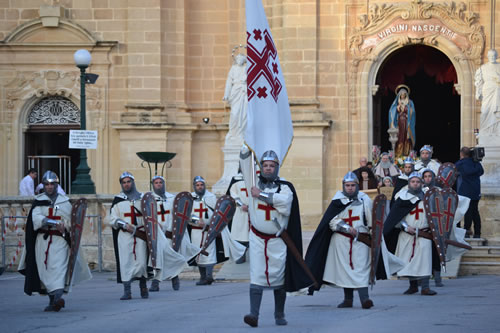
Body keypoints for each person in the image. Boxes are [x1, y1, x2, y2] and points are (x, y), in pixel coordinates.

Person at [240, 147, 311, 327]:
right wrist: (248, 144)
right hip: (257, 239)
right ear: (261, 167)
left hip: (278, 240)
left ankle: (279, 314)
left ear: (277, 167)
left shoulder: (286, 187)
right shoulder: (252, 182)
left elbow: (285, 203)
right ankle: (253, 315)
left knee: (279, 277)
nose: (268, 168)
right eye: (265, 165)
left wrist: (261, 195)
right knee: (256, 275)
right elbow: (244, 158)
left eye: (272, 165)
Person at [18, 171, 91, 311]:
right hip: (42, 242)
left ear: (57, 185)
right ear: (43, 185)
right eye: (47, 184)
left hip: (60, 241)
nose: (49, 187)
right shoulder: (39, 201)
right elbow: (36, 218)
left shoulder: (64, 202)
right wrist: (51, 221)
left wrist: (66, 226)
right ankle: (53, 301)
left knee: (59, 269)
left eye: (52, 184)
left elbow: (73, 222)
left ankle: (57, 298)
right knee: (45, 271)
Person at [306, 172, 374, 309]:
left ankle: (365, 299)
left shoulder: (365, 200)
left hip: (361, 240)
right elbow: (331, 220)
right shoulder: (337, 201)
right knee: (345, 271)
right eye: (347, 185)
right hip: (342, 241)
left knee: (361, 268)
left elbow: (372, 219)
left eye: (352, 185)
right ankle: (348, 299)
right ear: (343, 186)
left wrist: (372, 233)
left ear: (357, 186)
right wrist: (347, 228)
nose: (350, 188)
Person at [383, 172, 437, 296]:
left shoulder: (428, 198)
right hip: (407, 234)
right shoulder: (402, 198)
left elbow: (435, 215)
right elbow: (395, 218)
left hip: (424, 234)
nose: (415, 184)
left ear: (422, 183)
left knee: (425, 261)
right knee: (409, 261)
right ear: (409, 183)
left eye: (418, 182)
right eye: (413, 182)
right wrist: (406, 227)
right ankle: (413, 286)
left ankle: (425, 287)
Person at [189, 176, 247, 286]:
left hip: (210, 229)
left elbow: (218, 213)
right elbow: (186, 214)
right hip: (196, 230)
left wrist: (212, 225)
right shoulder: (190, 198)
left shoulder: (211, 197)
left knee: (209, 252)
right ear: (194, 186)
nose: (200, 187)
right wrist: (196, 221)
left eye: (201, 185)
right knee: (198, 252)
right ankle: (202, 277)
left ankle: (209, 276)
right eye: (197, 185)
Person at [149, 175, 200, 292]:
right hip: (158, 235)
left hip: (171, 234)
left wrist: (193, 220)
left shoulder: (172, 198)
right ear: (153, 185)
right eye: (156, 183)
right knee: (158, 259)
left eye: (160, 182)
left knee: (172, 257)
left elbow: (182, 213)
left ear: (164, 184)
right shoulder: (150, 200)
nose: (158, 185)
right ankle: (155, 282)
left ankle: (174, 278)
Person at [109, 172, 150, 300]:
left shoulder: (142, 198)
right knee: (126, 262)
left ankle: (143, 287)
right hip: (125, 236)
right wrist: (124, 225)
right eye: (124, 182)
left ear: (133, 182)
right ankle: (127, 291)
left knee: (142, 262)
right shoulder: (118, 200)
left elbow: (150, 216)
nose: (126, 184)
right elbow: (112, 219)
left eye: (128, 181)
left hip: (141, 235)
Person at [455, 147, 484, 238]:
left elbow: (453, 171)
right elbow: (481, 172)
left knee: (466, 211)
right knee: (475, 211)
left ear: (461, 154)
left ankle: (466, 232)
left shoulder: (460, 164)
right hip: (475, 191)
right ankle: (477, 233)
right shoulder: (476, 163)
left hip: (464, 191)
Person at [474, 49, 500, 141]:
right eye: (490, 56)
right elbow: (479, 82)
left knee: (497, 112)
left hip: (498, 91)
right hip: (487, 91)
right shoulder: (482, 68)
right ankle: (485, 131)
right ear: (488, 57)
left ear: (496, 56)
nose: (492, 58)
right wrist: (478, 92)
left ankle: (496, 131)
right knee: (485, 112)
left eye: (494, 56)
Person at [223, 53, 248, 144]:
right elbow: (229, 82)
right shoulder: (233, 69)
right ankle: (233, 133)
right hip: (235, 92)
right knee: (234, 113)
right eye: (238, 58)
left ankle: (242, 133)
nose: (240, 60)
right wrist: (226, 94)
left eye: (242, 59)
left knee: (245, 113)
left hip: (244, 92)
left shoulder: (247, 68)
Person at [388, 85, 416, 157]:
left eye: (404, 95)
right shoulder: (397, 103)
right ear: (399, 95)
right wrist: (398, 107)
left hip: (407, 122)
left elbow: (413, 112)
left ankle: (407, 153)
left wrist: (407, 108)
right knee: (399, 137)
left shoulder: (410, 102)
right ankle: (398, 154)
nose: (403, 96)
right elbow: (392, 111)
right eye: (401, 95)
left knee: (407, 137)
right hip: (399, 122)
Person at [226, 170, 250, 246]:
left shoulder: (256, 178)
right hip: (240, 211)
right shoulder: (236, 179)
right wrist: (241, 205)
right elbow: (232, 193)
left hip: (253, 212)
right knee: (239, 239)